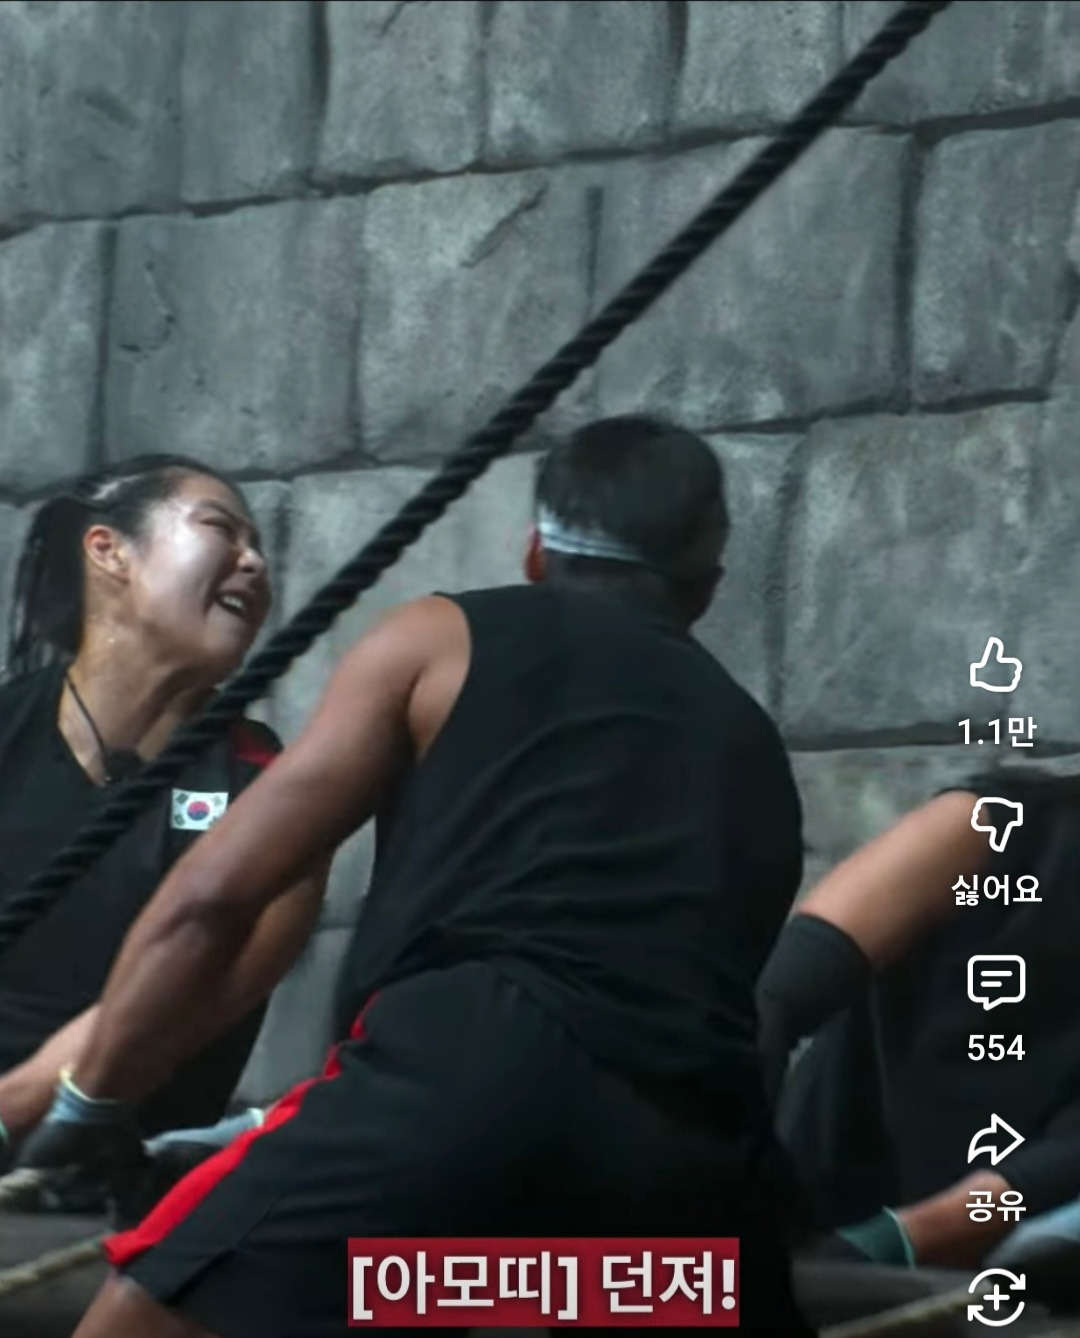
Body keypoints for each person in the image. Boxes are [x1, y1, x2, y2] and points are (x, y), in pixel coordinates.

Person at [18, 416, 815, 1338]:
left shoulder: (442, 639)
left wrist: (89, 1104)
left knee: (143, 1318)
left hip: (461, 1088)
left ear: (535, 552)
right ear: (704, 590)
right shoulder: (754, 745)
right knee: (443, 1296)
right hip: (693, 1161)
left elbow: (209, 899)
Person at [0, 456, 328, 1184]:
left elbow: (188, 1002)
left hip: (118, 1197)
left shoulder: (270, 788)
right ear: (109, 551)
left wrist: (8, 1111)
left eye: (259, 546)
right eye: (221, 529)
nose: (255, 563)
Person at [757, 769, 1080, 1286]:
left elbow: (1049, 1170)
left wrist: (887, 1242)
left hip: (972, 1258)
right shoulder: (1000, 826)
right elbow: (775, 1004)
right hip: (818, 1184)